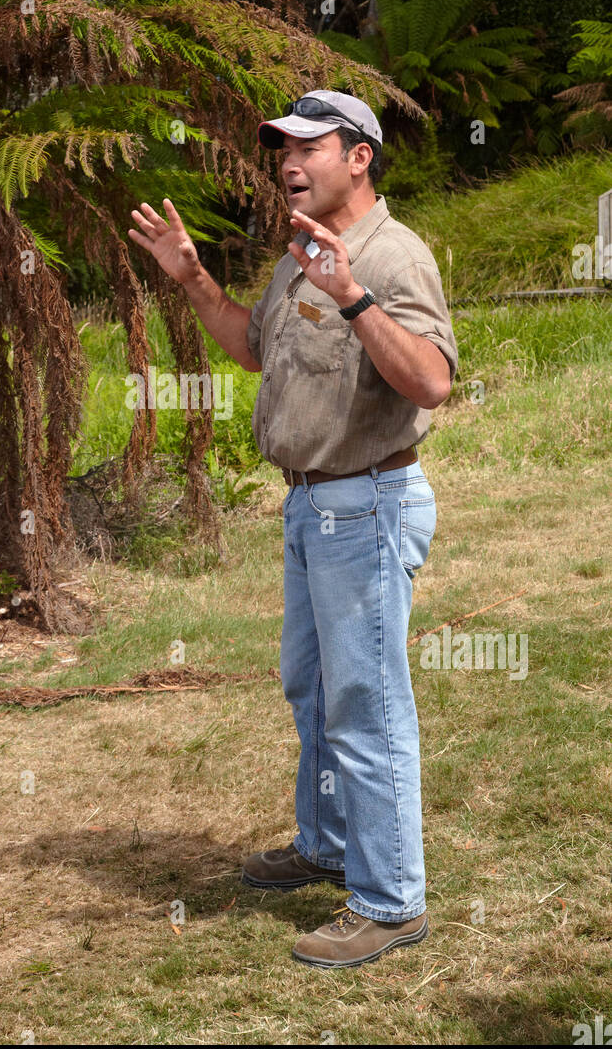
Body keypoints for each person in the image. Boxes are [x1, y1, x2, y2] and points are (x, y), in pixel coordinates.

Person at [128, 90, 458, 969]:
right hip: (310, 506)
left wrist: (353, 296)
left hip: (369, 504)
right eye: (282, 145)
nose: (288, 159)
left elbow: (429, 383)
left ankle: (391, 902)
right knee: (311, 689)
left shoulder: (393, 255)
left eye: (310, 145)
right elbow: (254, 349)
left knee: (366, 703)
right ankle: (327, 846)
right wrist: (193, 278)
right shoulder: (295, 254)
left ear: (360, 156)